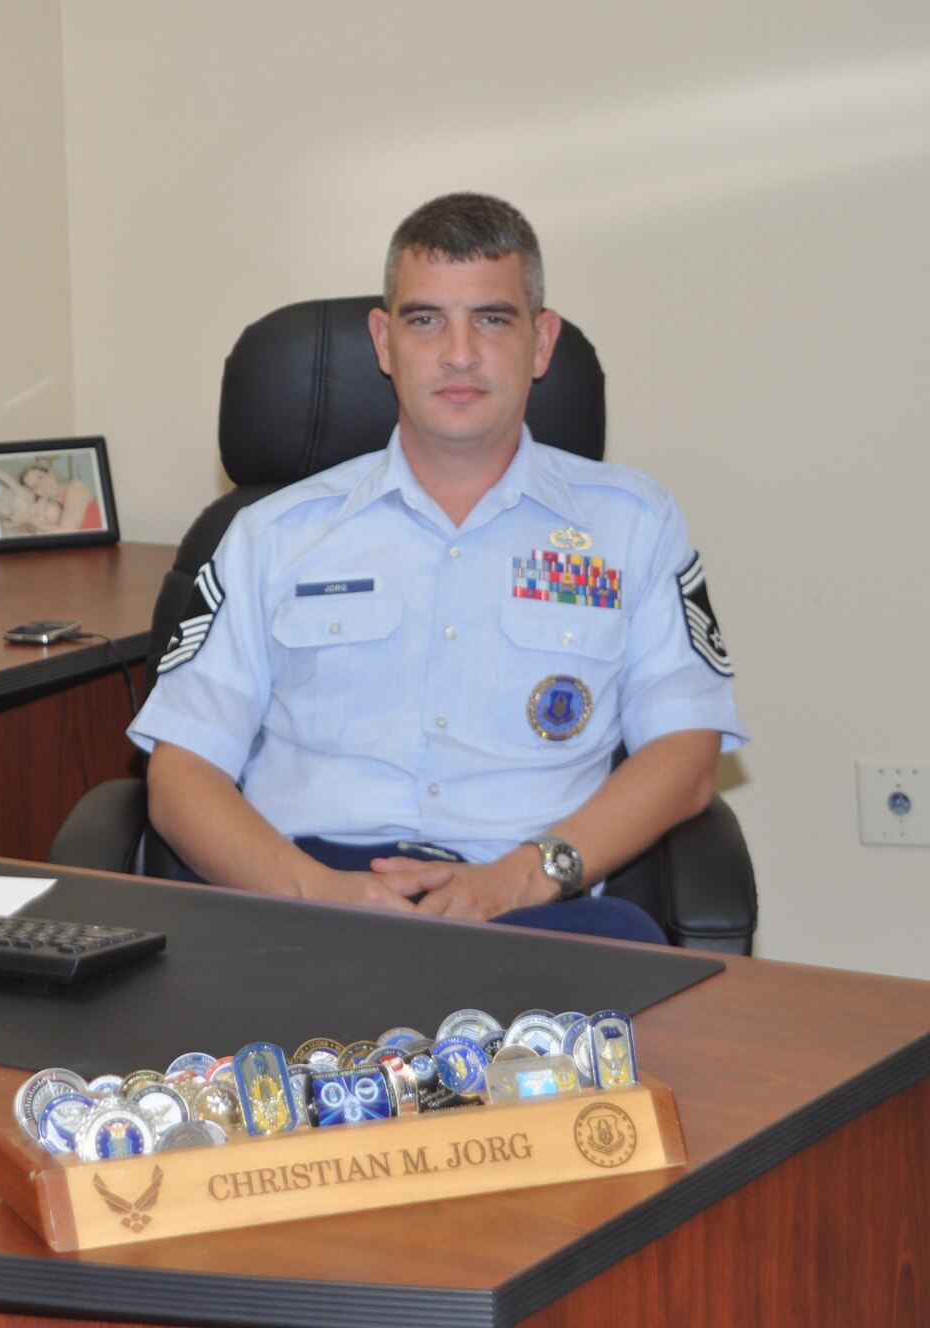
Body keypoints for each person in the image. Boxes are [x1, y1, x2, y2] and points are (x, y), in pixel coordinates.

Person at [128, 193, 745, 942]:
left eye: (492, 318)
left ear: (542, 342)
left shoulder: (633, 525)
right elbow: (182, 776)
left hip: (536, 904)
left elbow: (686, 754)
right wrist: (316, 892)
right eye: (426, 321)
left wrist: (518, 878)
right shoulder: (272, 534)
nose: (459, 353)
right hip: (305, 895)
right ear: (384, 344)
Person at [21, 462, 101, 532]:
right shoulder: (48, 511)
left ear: (50, 473)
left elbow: (65, 531)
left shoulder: (75, 487)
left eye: (40, 477)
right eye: (35, 486)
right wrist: (30, 507)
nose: (42, 486)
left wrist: (28, 519)